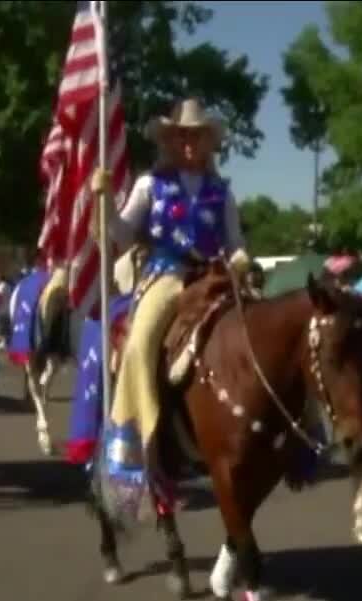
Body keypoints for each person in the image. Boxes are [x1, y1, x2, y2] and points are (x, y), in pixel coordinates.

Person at [91, 97, 250, 485]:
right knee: (138, 344)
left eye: (196, 136)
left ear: (209, 142)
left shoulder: (221, 191)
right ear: (170, 141)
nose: (189, 143)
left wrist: (242, 261)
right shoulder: (151, 185)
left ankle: (296, 435)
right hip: (167, 275)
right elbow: (122, 235)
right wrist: (106, 201)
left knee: (267, 332)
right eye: (182, 136)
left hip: (214, 275)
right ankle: (138, 445)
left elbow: (236, 241)